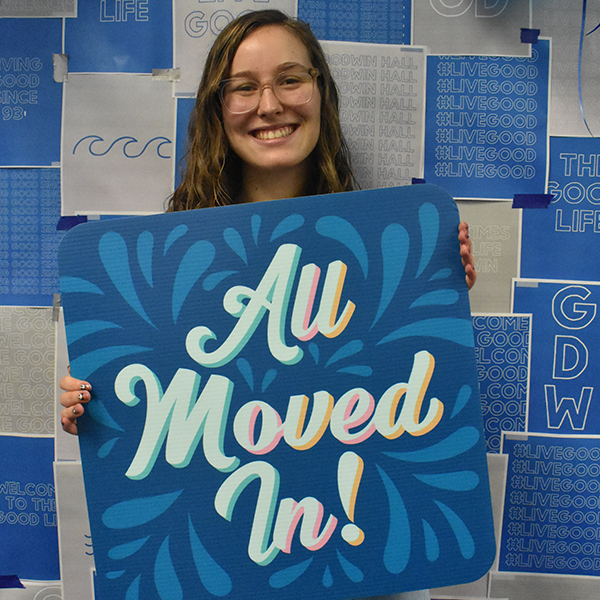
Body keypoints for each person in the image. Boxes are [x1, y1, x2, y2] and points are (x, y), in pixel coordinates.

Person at [59, 10, 477, 600]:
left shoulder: (385, 250)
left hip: (357, 562)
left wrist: (438, 295)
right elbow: (149, 428)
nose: (270, 104)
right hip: (224, 568)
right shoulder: (166, 267)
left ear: (320, 93)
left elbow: (416, 397)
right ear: (216, 107)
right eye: (244, 87)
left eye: (290, 79)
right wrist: (95, 408)